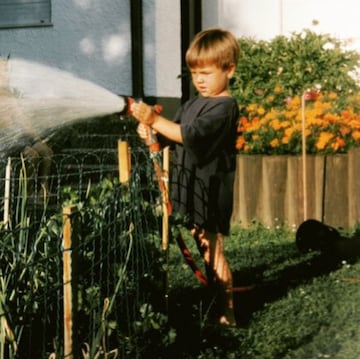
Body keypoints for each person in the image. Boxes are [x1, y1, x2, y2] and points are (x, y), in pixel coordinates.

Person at [131, 28, 240, 326]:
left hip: (209, 186)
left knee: (212, 248)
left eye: (206, 72)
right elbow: (172, 136)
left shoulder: (224, 107)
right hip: (188, 184)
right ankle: (214, 299)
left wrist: (155, 119)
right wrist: (150, 131)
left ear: (229, 69)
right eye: (194, 73)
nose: (200, 80)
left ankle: (226, 312)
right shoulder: (193, 104)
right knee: (203, 244)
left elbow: (189, 135)